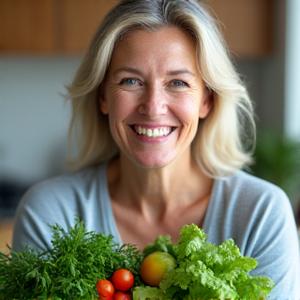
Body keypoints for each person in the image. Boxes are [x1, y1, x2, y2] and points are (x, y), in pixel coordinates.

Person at [12, 0, 300, 298]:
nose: (152, 106)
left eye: (177, 82)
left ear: (206, 101)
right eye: (131, 80)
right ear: (103, 97)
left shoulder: (260, 215)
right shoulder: (51, 213)